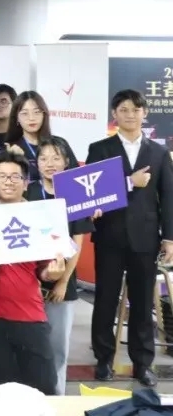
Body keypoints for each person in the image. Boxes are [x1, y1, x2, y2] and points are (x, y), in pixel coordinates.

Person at [87, 89, 173, 387]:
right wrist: (128, 182)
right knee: (105, 300)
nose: (130, 114)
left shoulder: (159, 153)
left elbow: (168, 197)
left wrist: (169, 238)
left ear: (144, 113)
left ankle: (142, 363)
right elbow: (92, 191)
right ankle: (103, 359)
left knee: (142, 302)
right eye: (123, 109)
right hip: (109, 235)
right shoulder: (100, 149)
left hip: (146, 239)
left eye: (136, 109)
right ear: (114, 114)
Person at [0, 150, 63, 395]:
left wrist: (53, 274)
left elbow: (45, 271)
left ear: (25, 183)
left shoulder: (41, 218)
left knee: (44, 387)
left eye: (15, 177)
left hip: (29, 316)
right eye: (1, 176)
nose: (8, 182)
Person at [27, 136, 94, 395]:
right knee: (32, 346)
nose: (49, 163)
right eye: (43, 158)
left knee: (58, 347)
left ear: (66, 161)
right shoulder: (28, 193)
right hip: (29, 283)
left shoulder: (75, 193)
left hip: (62, 284)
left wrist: (64, 281)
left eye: (56, 158)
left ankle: (57, 399)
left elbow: (77, 241)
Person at [5, 91, 79, 181]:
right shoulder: (12, 149)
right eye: (25, 113)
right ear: (17, 117)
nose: (31, 118)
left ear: (44, 114)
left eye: (36, 112)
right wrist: (15, 159)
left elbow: (77, 178)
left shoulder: (60, 143)